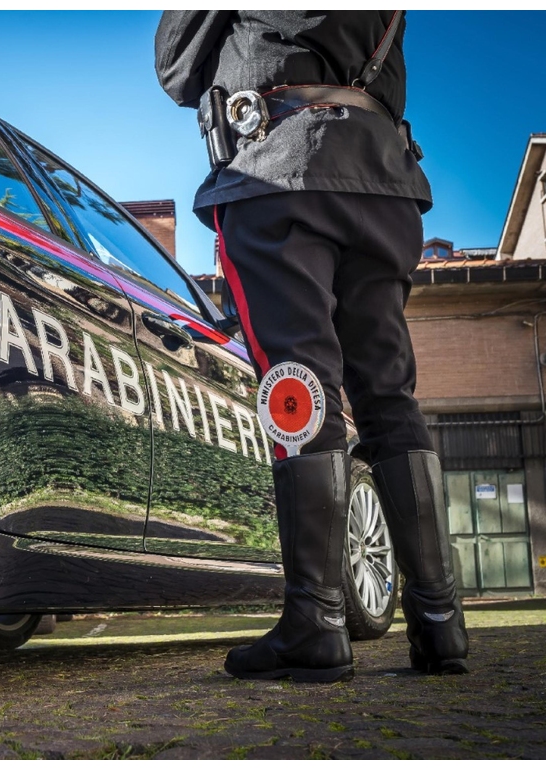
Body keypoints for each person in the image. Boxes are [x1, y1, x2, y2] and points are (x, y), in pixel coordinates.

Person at [155, 11, 468, 681]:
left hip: (280, 169)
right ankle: (440, 620)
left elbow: (177, 68)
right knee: (388, 394)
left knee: (300, 388)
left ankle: (317, 623)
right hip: (383, 180)